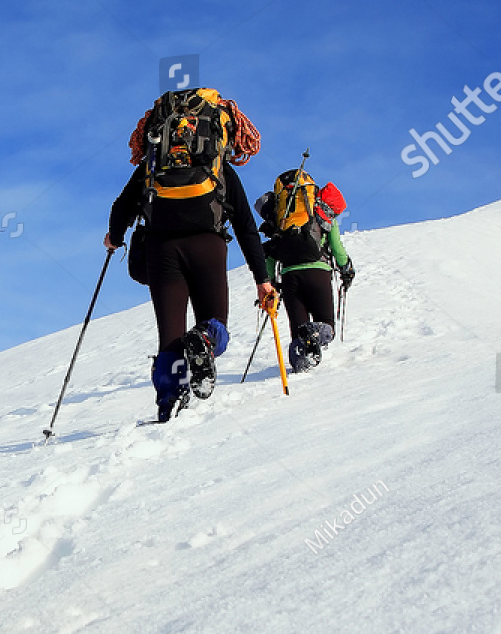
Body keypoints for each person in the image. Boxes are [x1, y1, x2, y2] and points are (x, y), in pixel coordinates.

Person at [104, 91, 275, 422]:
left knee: (169, 335)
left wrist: (115, 237)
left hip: (161, 249)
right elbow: (246, 227)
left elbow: (121, 207)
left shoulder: (152, 167)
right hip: (207, 246)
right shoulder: (218, 169)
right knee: (215, 324)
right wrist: (263, 280)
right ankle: (205, 339)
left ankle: (169, 399)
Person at [255, 173, 354, 372]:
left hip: (290, 277)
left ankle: (300, 367)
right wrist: (346, 268)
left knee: (298, 333)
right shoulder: (321, 212)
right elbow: (336, 246)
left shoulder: (280, 217)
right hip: (318, 272)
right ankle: (316, 332)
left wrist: (270, 283)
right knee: (327, 327)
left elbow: (271, 255)